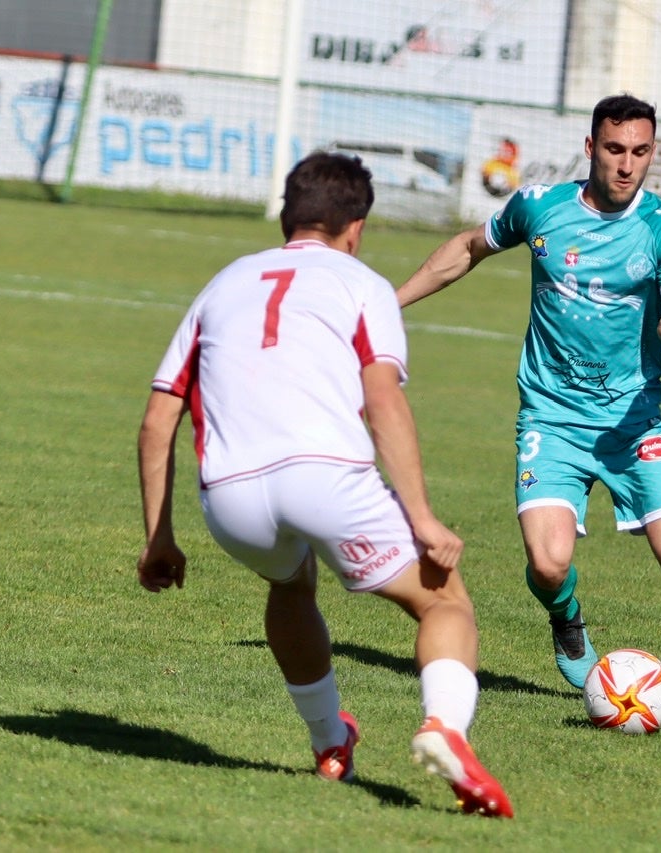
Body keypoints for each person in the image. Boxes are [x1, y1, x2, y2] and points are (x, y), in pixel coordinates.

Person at [134, 151, 514, 817]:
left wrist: (157, 538)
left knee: (290, 581)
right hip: (325, 477)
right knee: (444, 599)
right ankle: (443, 727)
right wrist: (422, 517)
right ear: (356, 227)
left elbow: (158, 416)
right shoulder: (360, 283)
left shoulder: (223, 282)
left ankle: (330, 741)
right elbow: (384, 403)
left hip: (229, 497)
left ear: (288, 215)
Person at [397, 94, 661, 725]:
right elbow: (467, 247)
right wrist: (391, 301)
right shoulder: (538, 207)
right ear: (591, 146)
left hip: (632, 424)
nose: (628, 165)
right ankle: (567, 622)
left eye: (641, 152)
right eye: (615, 149)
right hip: (550, 418)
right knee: (548, 564)